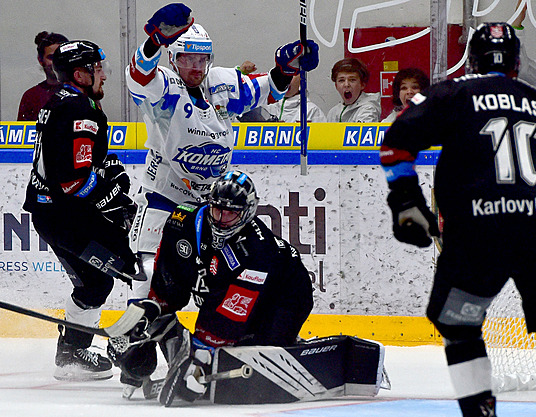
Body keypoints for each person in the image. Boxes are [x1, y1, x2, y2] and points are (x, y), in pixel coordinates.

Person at [380, 22, 536, 417]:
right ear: (517, 63)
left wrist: (406, 201)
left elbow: (395, 143)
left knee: (459, 329)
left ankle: (480, 412)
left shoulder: (454, 92)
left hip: (479, 233)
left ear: (472, 59)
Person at [126, 3, 319, 302]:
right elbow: (138, 76)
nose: (196, 67)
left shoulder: (221, 83)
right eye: (187, 58)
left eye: (201, 58)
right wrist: (153, 40)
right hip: (164, 197)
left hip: (213, 206)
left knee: (232, 280)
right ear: (172, 59)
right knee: (150, 278)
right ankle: (137, 344)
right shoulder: (163, 87)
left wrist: (287, 68)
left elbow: (269, 89)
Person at [107, 170, 314, 404]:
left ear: (247, 213)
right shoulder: (181, 222)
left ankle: (287, 344)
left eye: (230, 214)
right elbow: (170, 283)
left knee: (251, 358)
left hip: (285, 296)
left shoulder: (257, 250)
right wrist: (146, 327)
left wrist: (199, 356)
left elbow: (228, 318)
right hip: (224, 291)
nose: (221, 219)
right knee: (193, 341)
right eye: (217, 210)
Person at [23, 40, 141, 381]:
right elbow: (74, 183)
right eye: (98, 68)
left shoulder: (64, 101)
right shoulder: (80, 111)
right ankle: (128, 344)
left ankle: (73, 352)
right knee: (134, 268)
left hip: (54, 214)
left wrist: (105, 174)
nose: (103, 74)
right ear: (80, 74)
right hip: (67, 218)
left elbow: (77, 166)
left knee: (95, 282)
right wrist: (109, 190)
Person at [17, 31, 69, 121]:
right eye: (51, 57)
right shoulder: (31, 96)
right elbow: (24, 132)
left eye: (61, 56)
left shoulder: (82, 91)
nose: (57, 62)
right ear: (40, 60)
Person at [326, 58, 381, 123]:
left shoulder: (368, 109)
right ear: (336, 86)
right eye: (341, 80)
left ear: (362, 85)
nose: (346, 84)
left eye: (352, 80)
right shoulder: (333, 112)